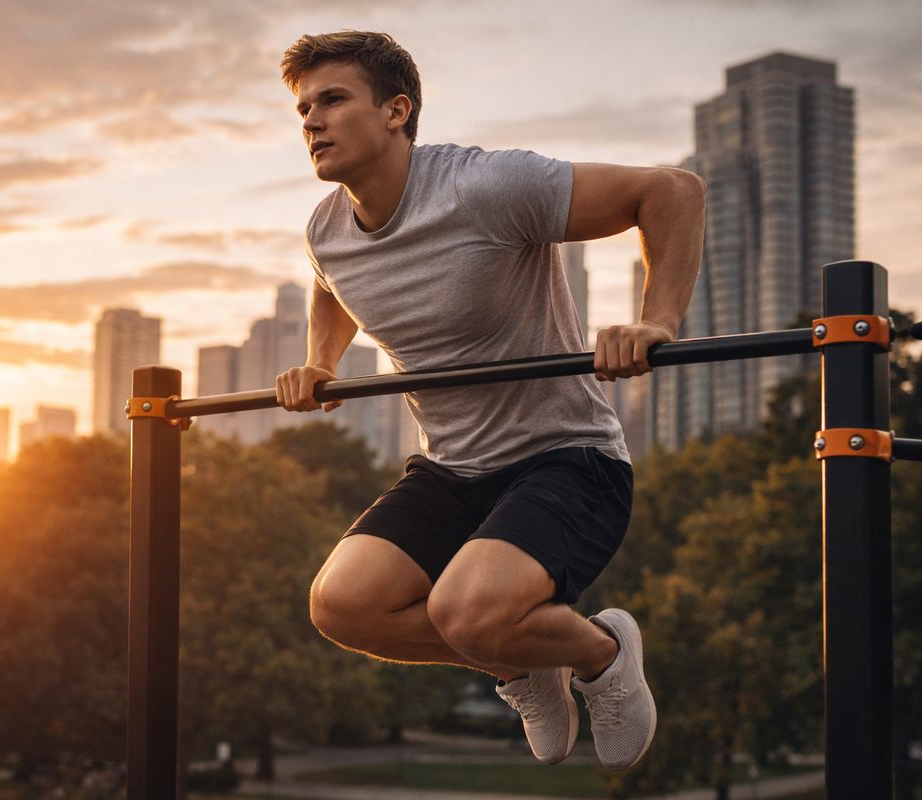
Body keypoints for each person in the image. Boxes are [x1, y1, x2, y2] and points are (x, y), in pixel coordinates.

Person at [274, 31, 705, 770]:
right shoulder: (325, 230)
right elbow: (331, 281)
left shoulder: (485, 187)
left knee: (463, 611)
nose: (311, 120)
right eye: (303, 106)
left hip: (567, 460)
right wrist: (321, 361)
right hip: (453, 470)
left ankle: (600, 652)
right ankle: (521, 659)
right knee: (341, 606)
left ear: (395, 111)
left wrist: (657, 321)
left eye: (334, 99)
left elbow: (671, 191)